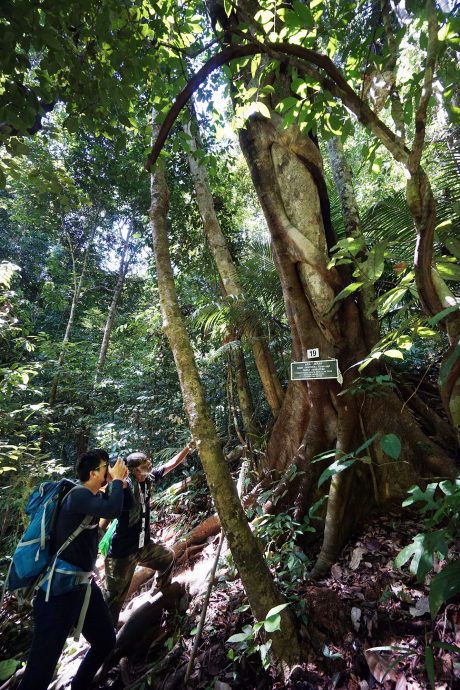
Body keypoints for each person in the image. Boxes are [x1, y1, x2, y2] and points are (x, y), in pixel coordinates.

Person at [19, 449, 127, 690]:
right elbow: (113, 509)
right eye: (105, 467)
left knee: (105, 641)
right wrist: (117, 480)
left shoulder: (90, 498)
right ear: (92, 473)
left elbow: (112, 506)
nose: (108, 470)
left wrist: (118, 485)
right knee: (41, 669)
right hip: (56, 594)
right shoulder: (77, 496)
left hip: (82, 587)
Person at [103, 442, 193, 625]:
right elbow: (114, 481)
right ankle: (104, 635)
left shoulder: (149, 479)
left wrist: (188, 448)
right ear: (135, 470)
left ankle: (160, 591)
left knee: (167, 557)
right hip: (122, 553)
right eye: (144, 464)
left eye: (148, 462)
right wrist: (113, 473)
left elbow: (172, 463)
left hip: (142, 546)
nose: (149, 465)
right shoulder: (127, 486)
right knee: (113, 598)